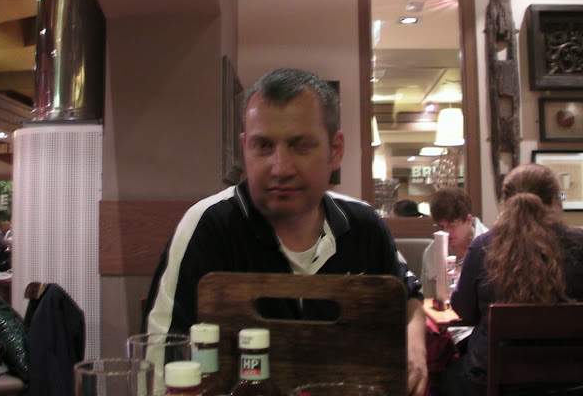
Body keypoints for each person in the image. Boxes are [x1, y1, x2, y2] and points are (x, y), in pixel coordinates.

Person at [144, 68, 428, 396]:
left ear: (335, 150)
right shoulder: (207, 225)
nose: (280, 167)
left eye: (301, 145)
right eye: (263, 146)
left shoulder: (364, 225)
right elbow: (160, 360)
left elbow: (408, 294)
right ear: (245, 148)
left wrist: (414, 345)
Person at [445, 163, 583, 395]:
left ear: (505, 202)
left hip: (493, 381)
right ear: (554, 201)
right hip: (572, 382)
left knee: (446, 372)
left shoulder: (484, 247)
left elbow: (464, 311)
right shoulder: (580, 245)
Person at [420, 188, 488, 299]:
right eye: (441, 226)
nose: (446, 232)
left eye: (451, 226)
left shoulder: (488, 248)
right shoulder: (432, 252)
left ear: (469, 220)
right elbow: (427, 298)